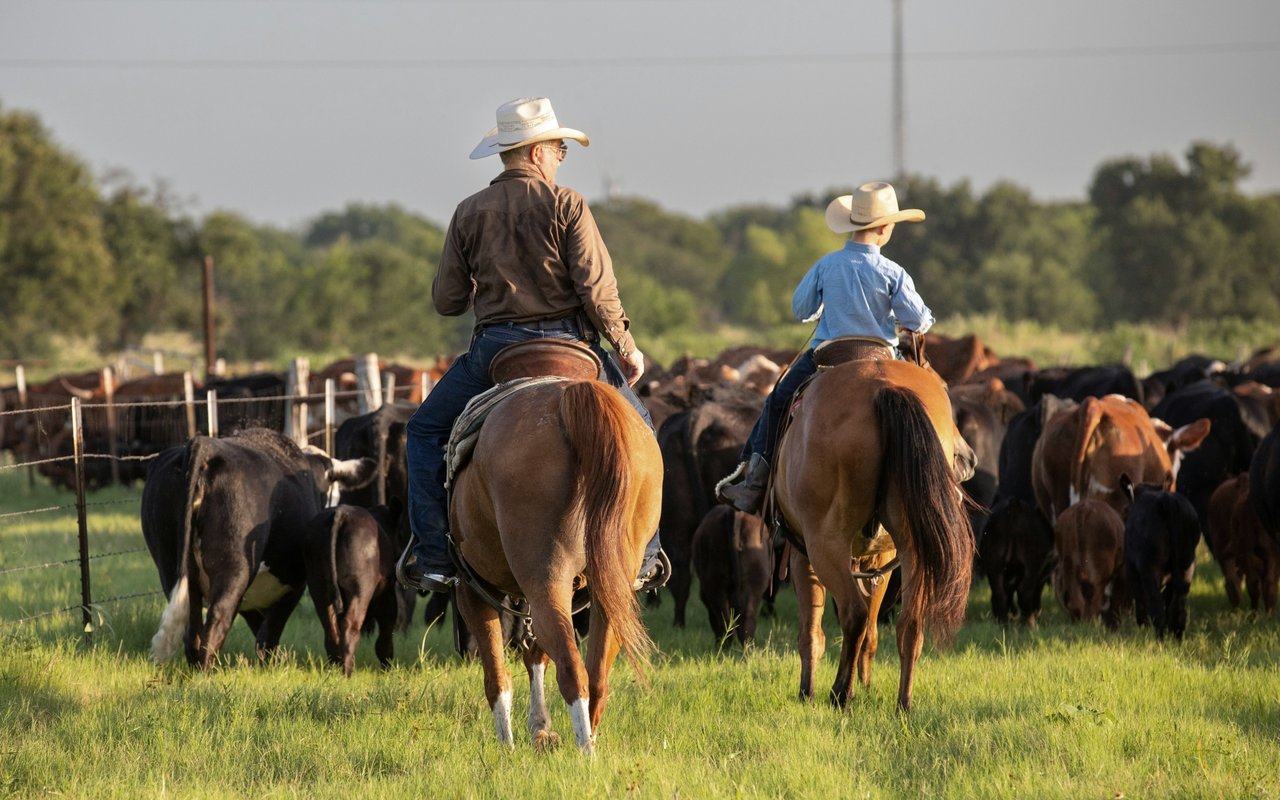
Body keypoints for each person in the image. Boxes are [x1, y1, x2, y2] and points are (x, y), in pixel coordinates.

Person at [398, 96, 667, 595]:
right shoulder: (568, 204)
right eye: (560, 148)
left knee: (423, 432)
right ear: (538, 151)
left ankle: (434, 555)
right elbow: (596, 290)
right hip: (571, 344)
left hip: (495, 350)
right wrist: (626, 345)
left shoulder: (468, 211)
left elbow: (446, 300)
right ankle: (646, 554)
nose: (561, 157)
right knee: (643, 431)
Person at [717, 181, 935, 515]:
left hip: (827, 359)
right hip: (883, 356)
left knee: (777, 400)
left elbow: (800, 309)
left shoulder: (826, 265)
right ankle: (948, 471)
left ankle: (753, 481)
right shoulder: (894, 272)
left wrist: (827, 306)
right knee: (932, 396)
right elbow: (919, 320)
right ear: (884, 228)